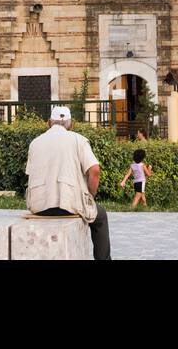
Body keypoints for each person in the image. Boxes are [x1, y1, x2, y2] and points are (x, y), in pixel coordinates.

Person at [25, 106, 111, 260]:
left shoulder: (34, 143)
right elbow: (95, 171)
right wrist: (90, 196)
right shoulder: (78, 139)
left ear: (49, 123)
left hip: (40, 207)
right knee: (101, 216)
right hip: (69, 206)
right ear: (71, 125)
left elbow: (30, 174)